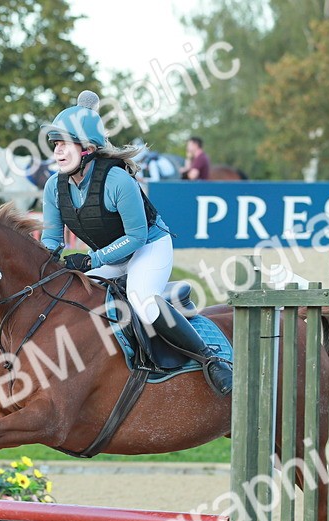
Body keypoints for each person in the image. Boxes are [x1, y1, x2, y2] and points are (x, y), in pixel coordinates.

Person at [38, 90, 231, 396]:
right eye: (55, 144)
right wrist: (42, 267)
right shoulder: (53, 186)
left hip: (148, 248)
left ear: (87, 148)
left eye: (65, 143)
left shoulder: (117, 180)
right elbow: (51, 238)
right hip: (110, 255)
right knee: (74, 299)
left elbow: (136, 236)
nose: (57, 151)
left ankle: (212, 359)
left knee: (142, 302)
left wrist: (92, 261)